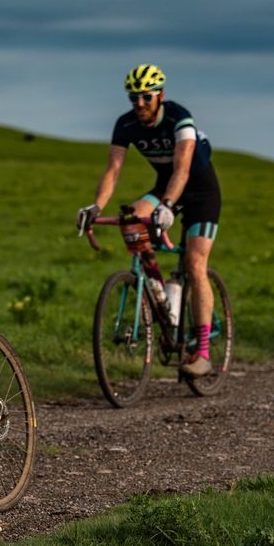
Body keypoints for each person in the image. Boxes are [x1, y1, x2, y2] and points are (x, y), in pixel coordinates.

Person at [77, 63, 222, 378]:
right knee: (132, 216)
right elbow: (113, 170)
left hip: (200, 193)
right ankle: (158, 291)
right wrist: (96, 207)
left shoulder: (177, 117)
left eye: (145, 97)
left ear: (160, 96)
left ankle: (202, 353)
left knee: (196, 266)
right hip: (165, 187)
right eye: (133, 98)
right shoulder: (126, 124)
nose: (139, 104)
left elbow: (182, 169)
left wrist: (168, 205)